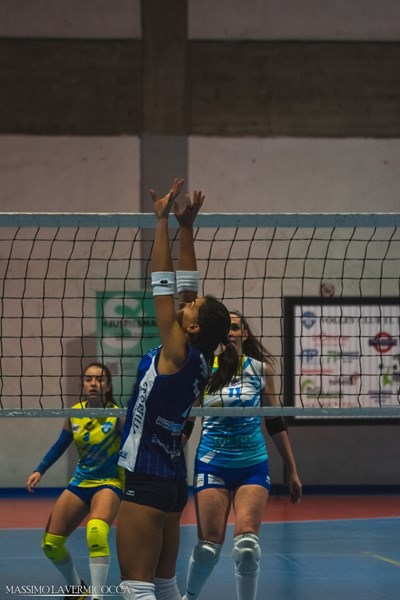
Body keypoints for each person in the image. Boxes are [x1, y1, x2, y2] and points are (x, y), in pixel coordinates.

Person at [116, 179, 240, 600]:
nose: (188, 303)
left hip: (148, 474)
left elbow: (163, 285)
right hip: (170, 481)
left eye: (192, 308)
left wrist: (161, 221)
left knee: (135, 587)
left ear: (192, 327)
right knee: (165, 585)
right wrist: (186, 229)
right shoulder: (199, 356)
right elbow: (187, 287)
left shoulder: (176, 349)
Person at [182, 310, 303, 600]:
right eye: (226, 328)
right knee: (208, 548)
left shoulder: (260, 370)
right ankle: (189, 597)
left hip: (252, 465)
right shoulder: (203, 368)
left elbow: (275, 422)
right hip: (212, 464)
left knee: (247, 548)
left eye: (235, 327)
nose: (230, 332)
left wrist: (292, 469)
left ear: (244, 334)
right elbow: (188, 420)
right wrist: (169, 458)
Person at [26, 362, 125, 600]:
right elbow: (61, 444)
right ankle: (77, 588)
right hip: (81, 482)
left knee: (96, 532)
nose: (93, 383)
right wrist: (40, 470)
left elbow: (133, 450)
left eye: (99, 379)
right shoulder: (75, 413)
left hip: (108, 482)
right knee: (51, 544)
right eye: (89, 379)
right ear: (83, 384)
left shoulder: (117, 416)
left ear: (108, 386)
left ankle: (97, 597)